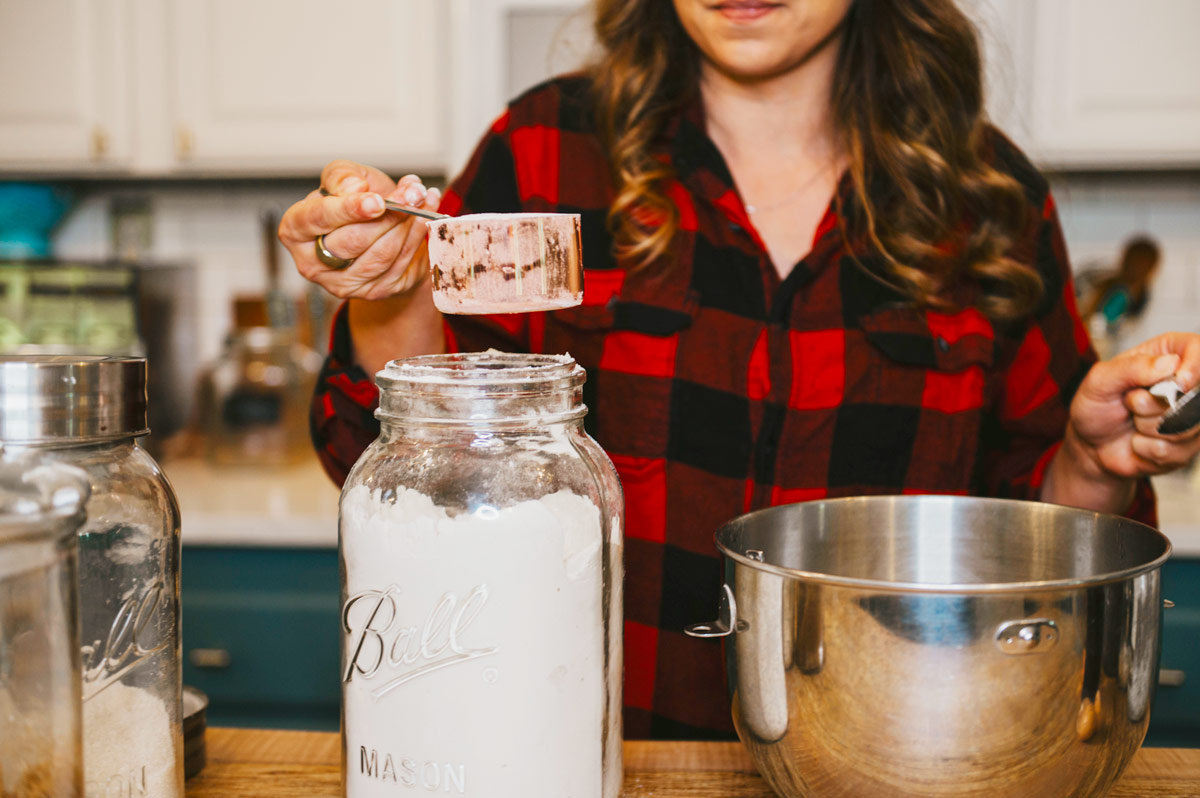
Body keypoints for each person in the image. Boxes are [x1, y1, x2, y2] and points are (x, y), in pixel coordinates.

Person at [279, 0, 1200, 739]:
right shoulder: (544, 148)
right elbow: (399, 479)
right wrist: (391, 294)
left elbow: (1036, 557)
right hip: (583, 746)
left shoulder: (988, 198)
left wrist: (1088, 463)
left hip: (894, 751)